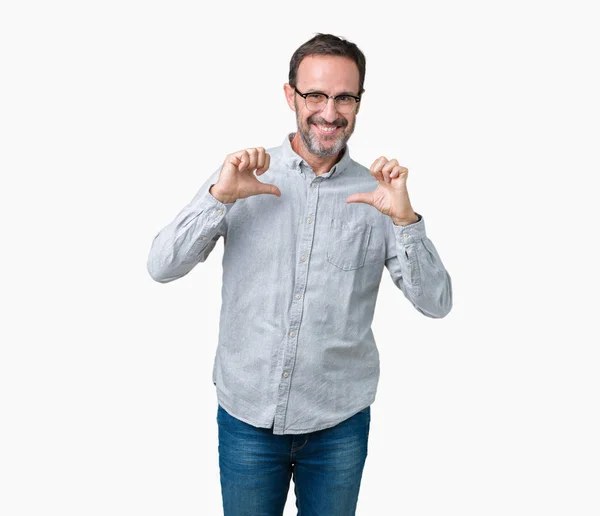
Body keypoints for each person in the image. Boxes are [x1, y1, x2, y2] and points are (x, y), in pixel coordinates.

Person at [147, 33, 452, 516]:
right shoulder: (242, 176)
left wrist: (404, 221)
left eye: (344, 97)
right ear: (291, 95)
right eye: (315, 95)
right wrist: (217, 199)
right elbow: (162, 266)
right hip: (247, 416)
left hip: (338, 421)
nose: (329, 112)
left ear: (359, 102)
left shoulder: (381, 193)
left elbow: (437, 304)